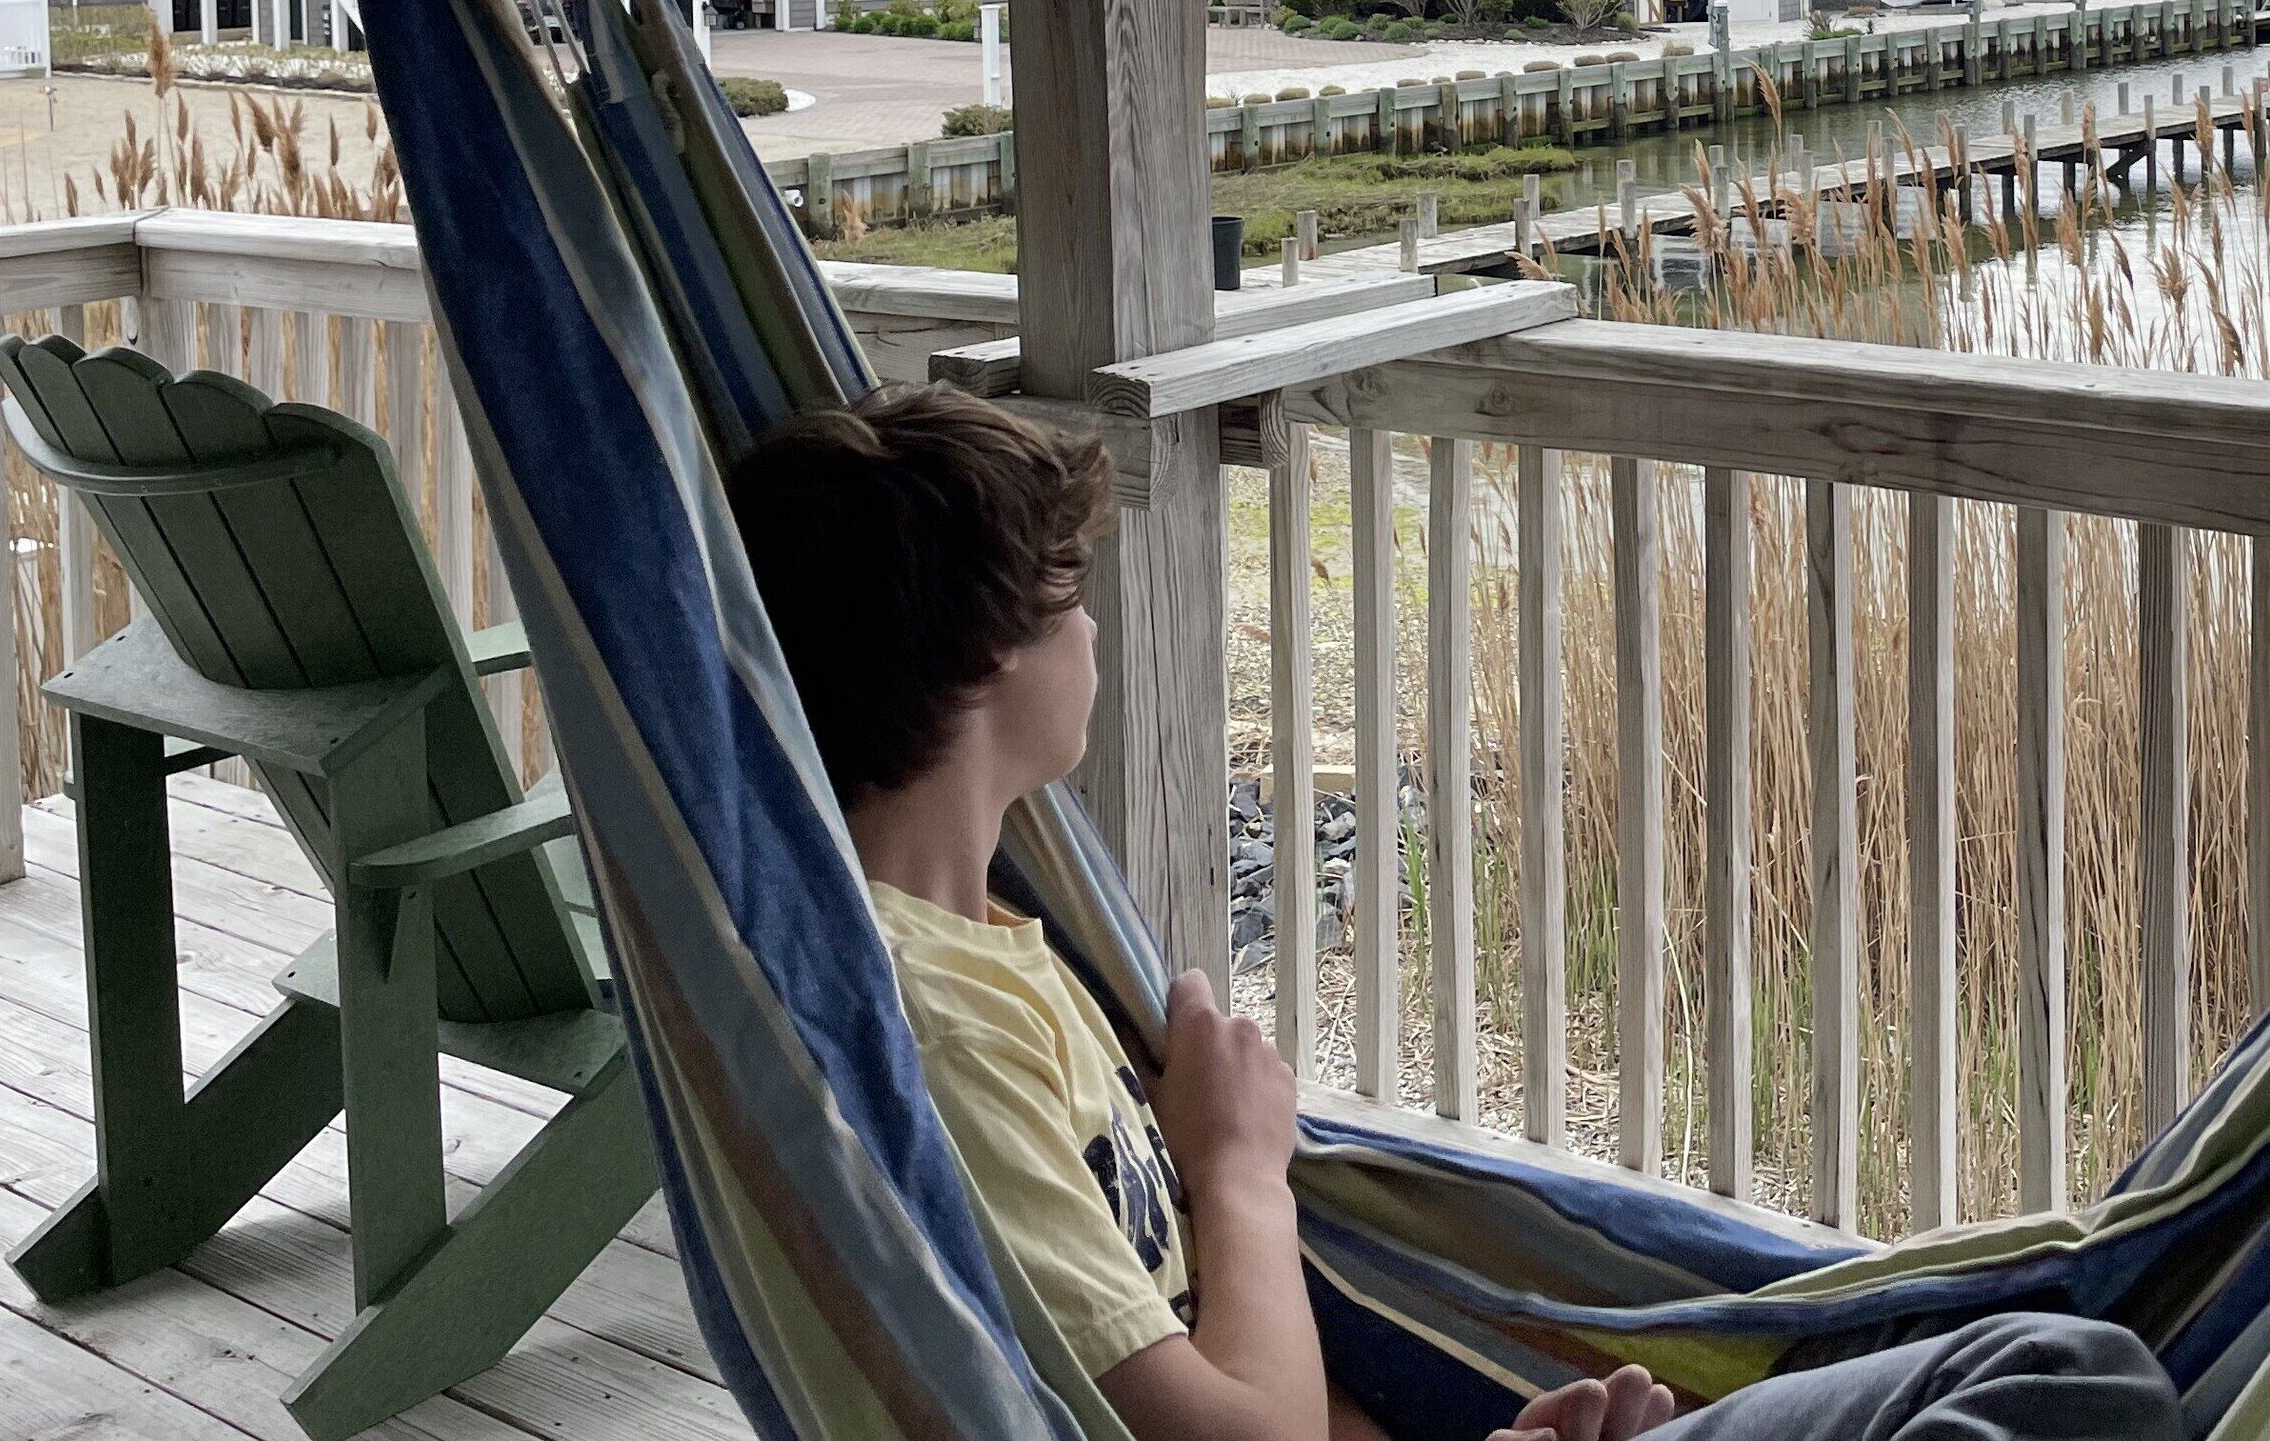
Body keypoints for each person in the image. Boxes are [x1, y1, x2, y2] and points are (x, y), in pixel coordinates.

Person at [726, 385, 2187, 1441]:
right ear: (989, 661)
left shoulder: (985, 946)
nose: (1095, 626)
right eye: (1067, 595)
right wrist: (1238, 1170)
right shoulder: (923, 1026)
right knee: (2071, 1383)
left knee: (2060, 1363)